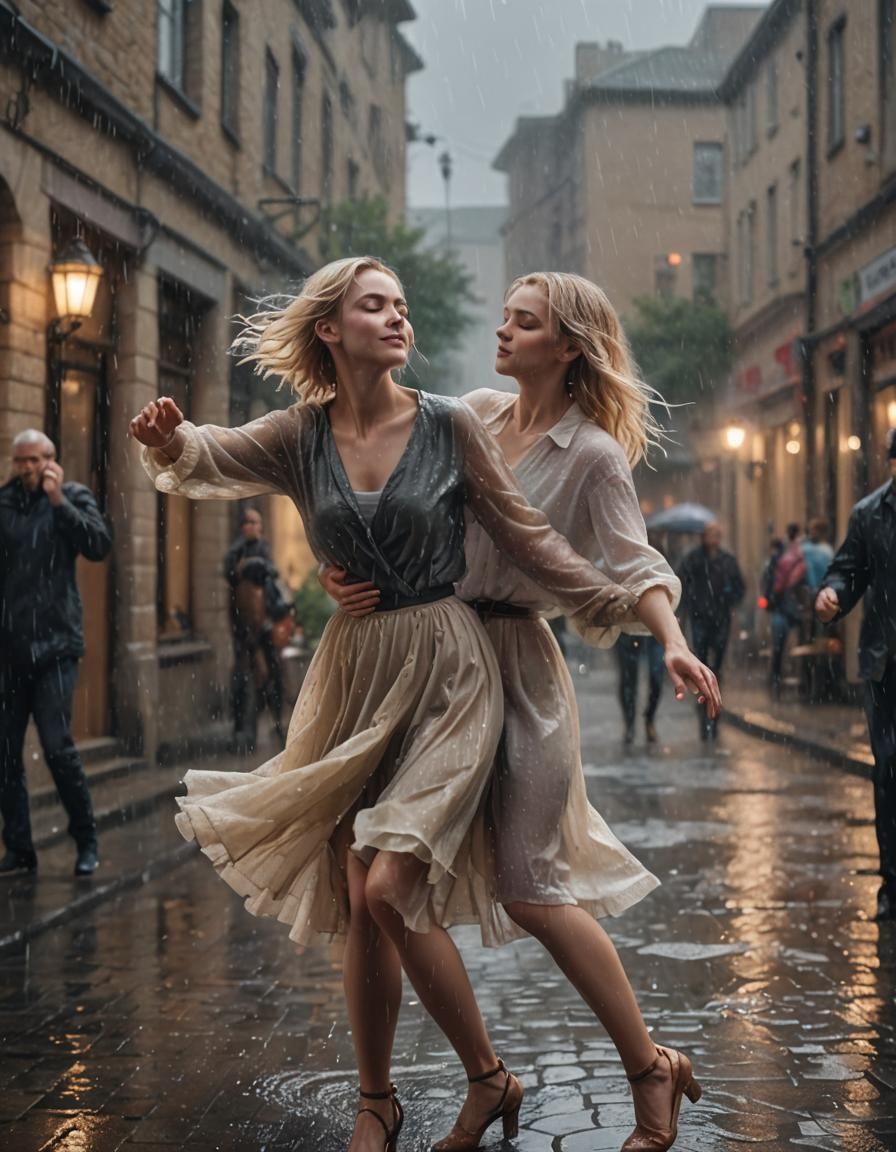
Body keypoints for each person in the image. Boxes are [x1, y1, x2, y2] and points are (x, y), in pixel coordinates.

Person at [130, 256, 650, 1152]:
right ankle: (380, 1101)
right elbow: (209, 456)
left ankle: (488, 1076)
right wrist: (168, 438)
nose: (398, 317)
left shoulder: (450, 423)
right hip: (355, 675)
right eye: (376, 305)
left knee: (390, 880)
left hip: (451, 669)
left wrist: (621, 605)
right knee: (353, 882)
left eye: (402, 306)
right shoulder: (300, 434)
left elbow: (528, 539)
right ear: (330, 329)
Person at [322, 271, 719, 1151]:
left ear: (568, 347)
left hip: (525, 675)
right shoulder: (466, 415)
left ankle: (652, 1070)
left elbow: (635, 560)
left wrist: (676, 638)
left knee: (532, 886)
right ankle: (468, 1080)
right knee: (381, 883)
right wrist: (338, 566)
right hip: (434, 664)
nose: (502, 332)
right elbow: (380, 492)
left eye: (524, 322)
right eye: (504, 317)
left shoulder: (592, 454)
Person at [0, 430, 112, 877]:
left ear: (52, 460)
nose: (29, 468)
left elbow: (98, 545)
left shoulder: (71, 498)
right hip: (10, 651)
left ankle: (86, 840)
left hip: (57, 647)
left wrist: (59, 504)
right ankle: (20, 850)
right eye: (22, 461)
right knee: (5, 753)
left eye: (38, 459)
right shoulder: (4, 504)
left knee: (57, 746)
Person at [816, 428, 896, 921]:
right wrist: (833, 595)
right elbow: (848, 570)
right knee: (888, 772)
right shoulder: (870, 514)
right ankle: (892, 884)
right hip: (886, 667)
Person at [223, 508, 285, 749]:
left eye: (256, 522)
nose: (252, 526)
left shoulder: (264, 549)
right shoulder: (236, 551)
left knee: (273, 674)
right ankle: (241, 731)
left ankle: (276, 722)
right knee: (242, 677)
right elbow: (231, 574)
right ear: (242, 527)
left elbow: (272, 573)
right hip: (243, 626)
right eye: (248, 522)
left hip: (266, 623)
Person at [678, 521, 745, 738]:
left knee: (716, 668)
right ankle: (703, 714)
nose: (713, 538)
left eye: (716, 534)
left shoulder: (727, 561)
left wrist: (727, 601)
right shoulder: (693, 559)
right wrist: (690, 607)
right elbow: (683, 584)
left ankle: (714, 714)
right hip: (700, 619)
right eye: (710, 534)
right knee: (701, 668)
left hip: (720, 619)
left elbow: (739, 587)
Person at [770, 522, 808, 697]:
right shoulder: (801, 553)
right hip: (800, 609)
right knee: (802, 645)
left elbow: (776, 584)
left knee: (779, 646)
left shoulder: (783, 556)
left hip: (785, 608)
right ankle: (803, 683)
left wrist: (773, 598)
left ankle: (777, 679)